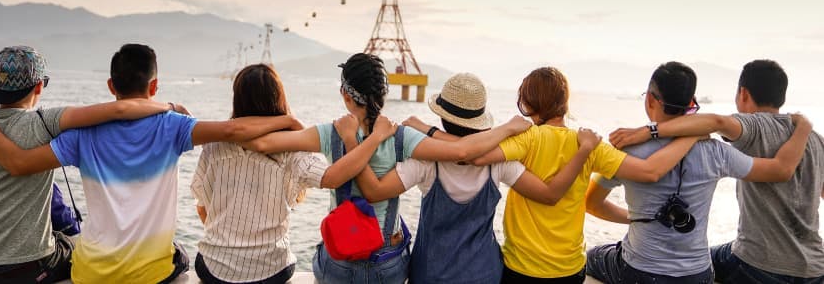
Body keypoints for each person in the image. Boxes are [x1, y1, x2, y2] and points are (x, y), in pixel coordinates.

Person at [0, 44, 304, 284]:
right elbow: (234, 129)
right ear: (154, 85)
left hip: (91, 273)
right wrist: (288, 122)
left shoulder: (82, 133)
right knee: (179, 253)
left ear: (111, 85)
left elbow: (20, 163)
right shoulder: (174, 127)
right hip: (151, 275)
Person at [241, 54, 531, 284]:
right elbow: (462, 151)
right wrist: (507, 128)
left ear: (345, 95)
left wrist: (288, 121)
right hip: (387, 262)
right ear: (384, 93)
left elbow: (262, 143)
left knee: (323, 255)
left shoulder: (330, 132)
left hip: (340, 261)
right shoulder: (402, 137)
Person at [0, 45, 172, 284]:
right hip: (28, 270)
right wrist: (169, 107)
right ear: (38, 86)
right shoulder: (45, 123)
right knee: (71, 242)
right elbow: (120, 109)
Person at [343, 72, 603, 284]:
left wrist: (353, 143)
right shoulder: (500, 163)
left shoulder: (426, 161)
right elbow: (548, 195)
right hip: (485, 274)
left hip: (431, 274)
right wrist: (583, 151)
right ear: (480, 120)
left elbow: (374, 191)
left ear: (442, 117)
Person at [470, 67, 706, 283]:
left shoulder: (526, 138)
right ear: (564, 102)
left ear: (527, 103)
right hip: (570, 269)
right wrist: (691, 135)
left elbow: (475, 154)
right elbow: (649, 172)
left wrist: (507, 128)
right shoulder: (591, 145)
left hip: (522, 268)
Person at [585, 62, 814, 283]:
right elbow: (778, 170)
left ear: (650, 99)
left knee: (593, 255)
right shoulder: (716, 151)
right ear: (691, 103)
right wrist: (803, 127)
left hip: (640, 271)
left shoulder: (626, 150)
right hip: (698, 274)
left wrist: (639, 218)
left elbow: (592, 203)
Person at [191, 64, 401, 284]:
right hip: (270, 270)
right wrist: (374, 138)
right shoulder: (291, 150)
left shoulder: (214, 145)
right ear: (278, 99)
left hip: (214, 268)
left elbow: (202, 208)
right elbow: (332, 177)